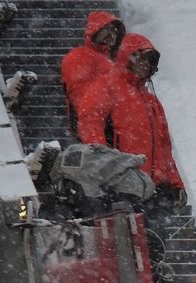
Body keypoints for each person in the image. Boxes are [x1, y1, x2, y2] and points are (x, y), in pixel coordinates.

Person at [75, 33, 185, 205]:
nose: (146, 65)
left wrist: (175, 183)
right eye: (142, 58)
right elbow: (90, 126)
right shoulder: (106, 87)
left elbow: (165, 149)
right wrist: (107, 169)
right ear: (129, 58)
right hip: (123, 188)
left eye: (150, 61)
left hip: (155, 191)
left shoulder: (152, 101)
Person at [60, 11, 124, 134]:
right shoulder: (81, 55)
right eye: (106, 29)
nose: (111, 34)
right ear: (95, 30)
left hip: (111, 126)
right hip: (99, 125)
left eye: (114, 31)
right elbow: (80, 96)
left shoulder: (111, 62)